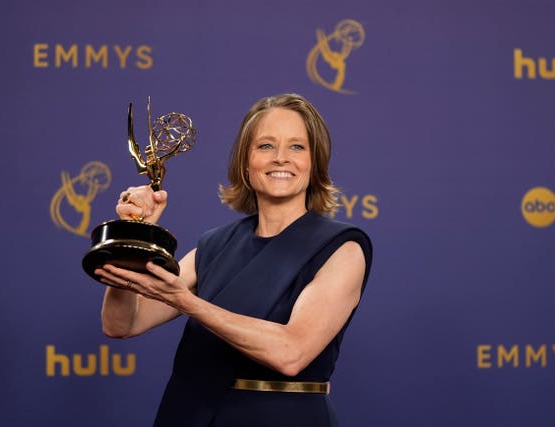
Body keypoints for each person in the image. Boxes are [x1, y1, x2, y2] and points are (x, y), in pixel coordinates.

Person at [96, 93, 372, 426]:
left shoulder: (342, 248)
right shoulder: (214, 245)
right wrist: (134, 235)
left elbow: (291, 353)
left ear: (315, 163)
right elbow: (121, 324)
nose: (281, 159)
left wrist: (188, 303)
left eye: (297, 147)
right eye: (265, 146)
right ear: (245, 161)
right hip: (190, 412)